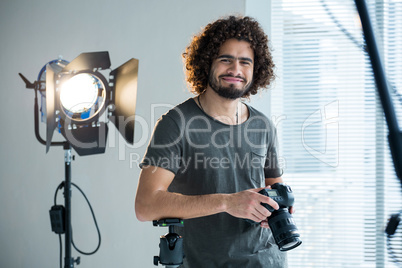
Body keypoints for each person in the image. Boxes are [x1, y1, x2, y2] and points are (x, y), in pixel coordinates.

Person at [135, 15, 291, 267]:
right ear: (207, 62)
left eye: (245, 62)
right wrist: (228, 202)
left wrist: (280, 205)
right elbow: (146, 205)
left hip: (268, 260)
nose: (235, 70)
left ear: (256, 70)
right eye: (226, 59)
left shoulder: (263, 126)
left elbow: (276, 188)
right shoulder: (176, 123)